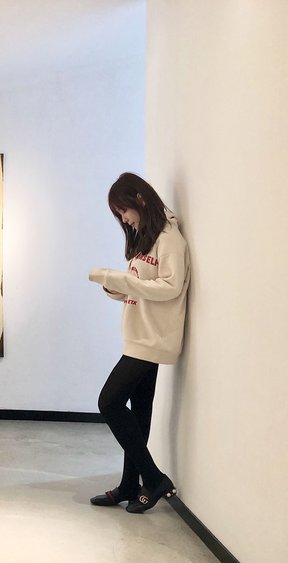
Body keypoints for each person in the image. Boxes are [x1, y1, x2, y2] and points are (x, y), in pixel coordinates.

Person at [87, 172, 190, 514]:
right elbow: (141, 286)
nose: (124, 219)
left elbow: (170, 288)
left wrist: (112, 276)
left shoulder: (170, 239)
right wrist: (116, 288)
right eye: (118, 214)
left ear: (140, 200)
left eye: (123, 211)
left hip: (153, 338)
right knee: (139, 415)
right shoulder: (148, 239)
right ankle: (130, 485)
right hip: (137, 334)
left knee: (109, 402)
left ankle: (155, 479)